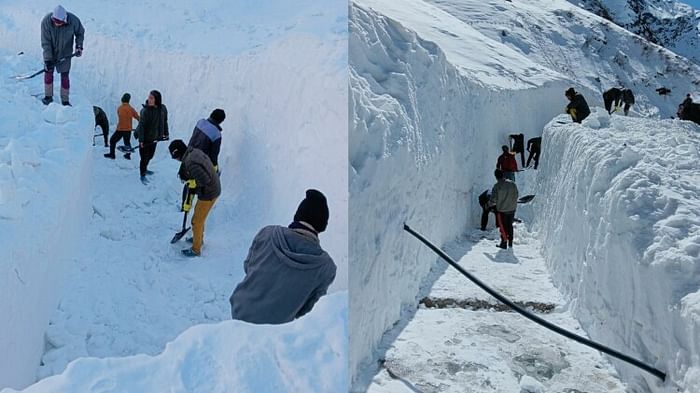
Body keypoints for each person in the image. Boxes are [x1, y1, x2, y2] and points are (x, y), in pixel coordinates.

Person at [229, 189, 336, 324]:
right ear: (322, 226)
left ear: (297, 215)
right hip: (278, 330)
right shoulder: (326, 268)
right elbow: (307, 309)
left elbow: (248, 266)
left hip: (241, 310)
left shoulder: (267, 233)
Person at [168, 140, 221, 257]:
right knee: (199, 217)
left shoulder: (191, 163)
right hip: (212, 188)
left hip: (210, 192)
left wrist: (193, 186)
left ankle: (196, 249)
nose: (176, 160)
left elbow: (205, 181)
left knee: (196, 221)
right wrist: (191, 187)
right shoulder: (192, 152)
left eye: (175, 158)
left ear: (178, 154)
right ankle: (198, 238)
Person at [40, 5, 84, 106]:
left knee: (65, 75)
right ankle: (48, 97)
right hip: (50, 50)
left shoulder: (73, 21)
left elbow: (80, 33)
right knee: (48, 72)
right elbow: (45, 42)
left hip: (66, 52)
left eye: (59, 22)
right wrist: (47, 60)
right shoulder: (46, 22)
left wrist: (79, 46)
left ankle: (65, 100)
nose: (57, 24)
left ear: (64, 19)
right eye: (55, 22)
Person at [134, 90, 167, 183]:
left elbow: (162, 123)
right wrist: (141, 140)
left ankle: (145, 168)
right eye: (149, 97)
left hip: (154, 138)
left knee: (150, 156)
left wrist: (162, 135)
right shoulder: (144, 111)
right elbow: (141, 126)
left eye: (151, 98)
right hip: (144, 138)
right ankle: (142, 174)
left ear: (157, 100)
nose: (149, 99)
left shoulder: (160, 110)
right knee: (144, 158)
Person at [489, 169, 519, 249]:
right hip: (512, 209)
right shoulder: (512, 184)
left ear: (496, 177)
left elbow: (493, 200)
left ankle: (503, 243)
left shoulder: (497, 186)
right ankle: (510, 243)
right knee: (510, 225)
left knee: (503, 227)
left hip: (502, 210)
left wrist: (489, 204)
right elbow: (516, 194)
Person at [104, 93, 140, 160]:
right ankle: (128, 155)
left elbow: (119, 115)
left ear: (122, 99)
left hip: (120, 129)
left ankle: (112, 154)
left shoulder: (120, 108)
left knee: (112, 141)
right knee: (127, 142)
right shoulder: (131, 109)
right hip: (128, 129)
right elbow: (138, 117)